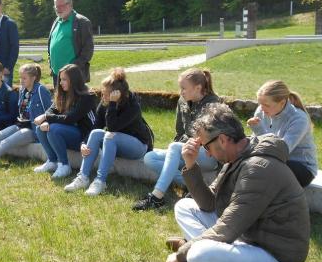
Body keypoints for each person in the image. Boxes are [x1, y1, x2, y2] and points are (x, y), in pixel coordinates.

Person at [164, 103, 310, 262]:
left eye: (206, 147)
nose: (207, 155)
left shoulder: (257, 168)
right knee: (184, 207)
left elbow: (229, 227)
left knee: (197, 255)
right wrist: (191, 166)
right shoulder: (238, 158)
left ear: (223, 139)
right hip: (246, 239)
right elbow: (209, 204)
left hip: (276, 261)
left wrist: (180, 255)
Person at [134, 68, 221, 211]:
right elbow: (179, 131)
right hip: (186, 151)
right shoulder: (182, 101)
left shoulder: (213, 104)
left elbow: (212, 139)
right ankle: (190, 185)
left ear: (198, 88)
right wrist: (177, 151)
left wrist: (179, 147)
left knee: (174, 147)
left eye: (184, 88)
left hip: (208, 155)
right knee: (149, 158)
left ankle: (157, 197)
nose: (181, 92)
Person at [64, 68, 154, 196]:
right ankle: (82, 177)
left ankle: (100, 181)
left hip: (138, 147)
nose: (103, 96)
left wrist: (111, 104)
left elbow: (112, 127)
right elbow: (96, 126)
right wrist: (84, 143)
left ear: (117, 94)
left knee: (110, 136)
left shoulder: (132, 105)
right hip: (116, 142)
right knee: (96, 134)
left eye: (106, 93)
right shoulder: (105, 103)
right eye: (102, 92)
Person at [247, 80, 318, 187]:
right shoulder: (261, 111)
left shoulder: (299, 119)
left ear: (282, 103)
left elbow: (281, 151)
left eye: (266, 105)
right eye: (260, 104)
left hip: (301, 168)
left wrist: (258, 131)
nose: (261, 108)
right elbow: (257, 146)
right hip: (273, 161)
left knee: (262, 169)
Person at [33, 63, 97, 179]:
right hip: (70, 132)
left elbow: (70, 118)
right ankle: (52, 161)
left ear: (74, 80)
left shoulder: (87, 96)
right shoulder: (63, 93)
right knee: (40, 128)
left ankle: (64, 165)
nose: (61, 83)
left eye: (64, 80)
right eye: (60, 79)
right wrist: (46, 118)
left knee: (53, 129)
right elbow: (51, 110)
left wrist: (47, 118)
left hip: (85, 137)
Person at [47, 0, 94, 85]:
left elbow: (88, 50)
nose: (58, 9)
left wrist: (74, 68)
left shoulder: (82, 22)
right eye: (56, 6)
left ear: (70, 4)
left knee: (74, 100)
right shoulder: (57, 21)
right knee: (59, 100)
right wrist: (51, 64)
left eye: (61, 6)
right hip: (57, 75)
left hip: (73, 76)